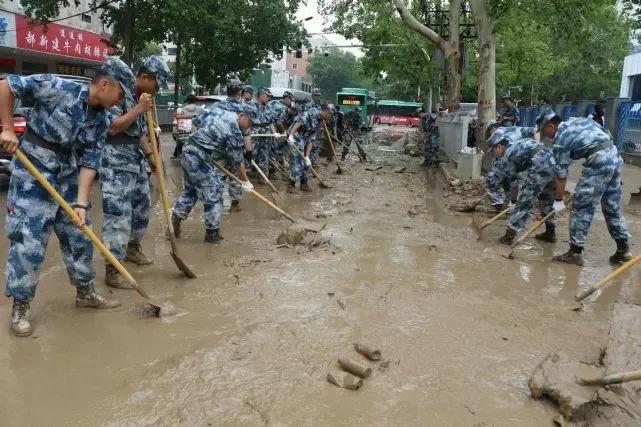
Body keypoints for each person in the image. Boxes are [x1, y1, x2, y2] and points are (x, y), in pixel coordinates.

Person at [0, 58, 129, 336]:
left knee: (80, 234)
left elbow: (90, 161)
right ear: (105, 84)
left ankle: (85, 292)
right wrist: (8, 128)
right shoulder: (56, 86)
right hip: (33, 170)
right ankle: (21, 305)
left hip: (68, 174)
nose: (120, 102)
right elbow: (6, 86)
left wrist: (81, 203)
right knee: (29, 239)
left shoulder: (102, 119)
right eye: (120, 94)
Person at [98, 55, 169, 289]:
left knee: (141, 208)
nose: (157, 90)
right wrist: (139, 109)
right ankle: (113, 269)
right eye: (157, 85)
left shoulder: (135, 96)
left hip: (135, 161)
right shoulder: (117, 90)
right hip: (114, 162)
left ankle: (132, 249)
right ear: (147, 78)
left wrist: (151, 157)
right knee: (118, 217)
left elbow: (138, 133)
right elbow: (113, 126)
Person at [539, 108, 631, 266]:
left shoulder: (561, 138)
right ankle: (623, 249)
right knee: (611, 206)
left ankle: (575, 253)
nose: (544, 135)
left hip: (599, 162)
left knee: (581, 207)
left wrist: (559, 199)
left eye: (543, 131)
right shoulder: (577, 120)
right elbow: (606, 134)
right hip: (614, 156)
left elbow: (561, 175)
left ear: (550, 126)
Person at [171, 104, 257, 243]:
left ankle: (176, 216)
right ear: (242, 115)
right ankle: (212, 233)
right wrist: (245, 182)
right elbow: (238, 161)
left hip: (188, 150)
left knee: (191, 191)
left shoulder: (218, 110)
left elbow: (196, 122)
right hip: (200, 157)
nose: (249, 127)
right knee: (214, 193)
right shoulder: (233, 129)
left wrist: (204, 141)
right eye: (250, 123)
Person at [487, 133, 557, 245]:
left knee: (524, 200)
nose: (492, 154)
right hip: (552, 160)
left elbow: (514, 184)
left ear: (499, 147)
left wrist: (514, 202)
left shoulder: (507, 157)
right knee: (546, 198)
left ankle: (508, 237)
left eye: (492, 151)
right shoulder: (515, 144)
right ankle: (550, 232)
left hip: (540, 164)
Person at [484, 123, 537, 210]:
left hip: (520, 165)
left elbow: (535, 130)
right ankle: (499, 203)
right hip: (505, 166)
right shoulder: (495, 144)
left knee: (515, 184)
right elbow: (496, 164)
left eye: (494, 131)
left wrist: (536, 143)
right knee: (492, 178)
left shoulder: (512, 131)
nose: (494, 134)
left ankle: (514, 204)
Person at [287, 103, 333, 192]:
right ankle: (291, 185)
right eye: (330, 115)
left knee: (307, 162)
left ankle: (303, 184)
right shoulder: (312, 113)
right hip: (296, 135)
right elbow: (298, 123)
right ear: (326, 111)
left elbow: (311, 140)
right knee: (298, 161)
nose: (330, 118)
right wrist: (291, 135)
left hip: (305, 138)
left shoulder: (320, 121)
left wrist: (307, 156)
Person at [251, 87, 280, 176]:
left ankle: (262, 176)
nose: (268, 98)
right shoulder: (251, 106)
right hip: (254, 135)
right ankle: (247, 175)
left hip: (266, 136)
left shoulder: (268, 107)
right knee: (251, 154)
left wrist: (274, 132)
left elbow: (270, 122)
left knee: (264, 155)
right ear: (262, 95)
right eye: (267, 96)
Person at [268, 90, 295, 177]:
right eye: (291, 100)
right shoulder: (282, 108)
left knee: (271, 150)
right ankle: (272, 171)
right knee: (274, 150)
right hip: (272, 130)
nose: (291, 103)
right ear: (287, 99)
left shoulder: (274, 102)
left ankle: (279, 165)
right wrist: (284, 133)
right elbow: (279, 122)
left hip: (268, 129)